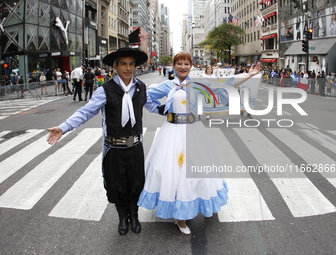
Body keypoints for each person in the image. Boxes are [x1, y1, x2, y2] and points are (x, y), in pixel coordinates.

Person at [138, 52, 261, 235]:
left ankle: (201, 201)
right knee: (175, 172)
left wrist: (248, 75)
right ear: (174, 66)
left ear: (191, 65)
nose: (183, 66)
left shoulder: (198, 83)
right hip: (172, 132)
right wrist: (160, 109)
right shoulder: (168, 85)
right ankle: (179, 216)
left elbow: (225, 84)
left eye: (186, 63)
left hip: (194, 129)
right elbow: (145, 97)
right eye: (179, 63)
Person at [46, 47, 149, 236]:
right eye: (123, 64)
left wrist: (177, 114)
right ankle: (122, 217)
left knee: (135, 183)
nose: (128, 68)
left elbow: (155, 106)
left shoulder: (141, 88)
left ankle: (134, 215)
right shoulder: (105, 90)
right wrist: (63, 127)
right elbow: (85, 112)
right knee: (116, 185)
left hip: (135, 146)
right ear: (115, 67)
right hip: (114, 148)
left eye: (131, 64)